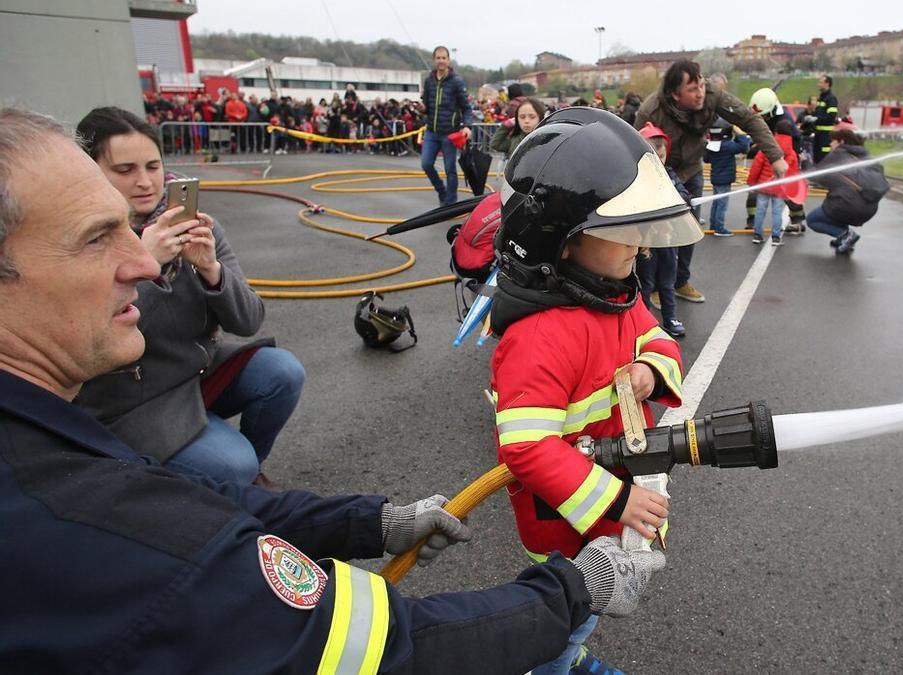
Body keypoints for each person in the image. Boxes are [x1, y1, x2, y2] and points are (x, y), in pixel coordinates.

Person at [0, 105, 666, 673]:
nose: (143, 261)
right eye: (97, 237)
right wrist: (576, 588)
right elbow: (385, 645)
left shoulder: (53, 450)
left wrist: (369, 520)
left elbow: (193, 495)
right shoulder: (94, 527)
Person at [489, 107, 698, 674]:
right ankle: (554, 667)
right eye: (621, 229)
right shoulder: (538, 337)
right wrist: (619, 503)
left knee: (588, 604)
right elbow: (527, 447)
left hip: (607, 491)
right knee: (570, 601)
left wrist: (650, 371)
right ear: (561, 240)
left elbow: (660, 341)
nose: (641, 244)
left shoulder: (614, 295)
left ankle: (567, 656)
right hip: (567, 514)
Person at [73, 106, 304, 488]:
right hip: (132, 400)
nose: (146, 182)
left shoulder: (196, 227)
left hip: (195, 372)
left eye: (153, 165)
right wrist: (148, 265)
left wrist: (213, 271)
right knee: (232, 464)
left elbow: (248, 321)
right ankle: (205, 487)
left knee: (283, 372)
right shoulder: (83, 245)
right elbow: (91, 345)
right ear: (90, 173)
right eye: (125, 170)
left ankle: (242, 479)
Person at [635, 59, 786, 304]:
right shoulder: (650, 111)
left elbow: (749, 119)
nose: (700, 93)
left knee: (690, 228)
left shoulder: (714, 96)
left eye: (702, 85)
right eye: (692, 89)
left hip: (693, 170)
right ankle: (656, 286)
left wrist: (776, 157)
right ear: (675, 94)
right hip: (661, 175)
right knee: (660, 233)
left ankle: (680, 281)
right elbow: (634, 149)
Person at [637, 122, 690, 337]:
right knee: (646, 283)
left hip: (668, 239)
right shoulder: (637, 178)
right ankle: (644, 323)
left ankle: (670, 318)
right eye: (654, 154)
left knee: (668, 282)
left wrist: (679, 199)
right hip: (646, 241)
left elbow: (685, 195)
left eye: (662, 153)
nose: (660, 158)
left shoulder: (670, 175)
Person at [807, 128, 891, 254]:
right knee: (840, 208)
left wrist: (804, 163)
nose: (830, 144)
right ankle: (844, 239)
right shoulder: (865, 155)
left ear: (841, 141)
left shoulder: (839, 154)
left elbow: (817, 175)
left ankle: (844, 234)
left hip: (846, 206)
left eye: (832, 141)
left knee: (812, 219)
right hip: (868, 209)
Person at [749, 87, 808, 235]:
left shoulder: (784, 121)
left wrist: (791, 163)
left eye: (764, 116)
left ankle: (797, 220)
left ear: (772, 111)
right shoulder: (766, 117)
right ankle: (752, 219)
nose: (763, 119)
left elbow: (794, 142)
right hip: (769, 158)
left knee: (788, 191)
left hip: (785, 162)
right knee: (756, 190)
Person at [421, 46, 474, 206]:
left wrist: (467, 126)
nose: (441, 61)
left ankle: (450, 202)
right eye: (438, 58)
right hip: (431, 131)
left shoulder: (456, 81)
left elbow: (466, 107)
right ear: (434, 59)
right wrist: (423, 109)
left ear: (448, 60)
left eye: (444, 58)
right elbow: (428, 105)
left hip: (449, 133)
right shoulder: (429, 80)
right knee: (426, 164)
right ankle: (441, 191)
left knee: (450, 169)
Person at [746, 110, 801, 246]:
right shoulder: (792, 153)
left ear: (775, 132)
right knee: (777, 213)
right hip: (780, 189)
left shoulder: (768, 148)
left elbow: (757, 166)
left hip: (764, 186)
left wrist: (752, 183)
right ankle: (776, 237)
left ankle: (758, 235)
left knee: (760, 211)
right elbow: (792, 173)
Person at [703, 118, 751, 237]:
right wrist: (739, 132)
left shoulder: (711, 146)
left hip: (715, 178)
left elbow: (706, 159)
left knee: (716, 203)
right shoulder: (728, 146)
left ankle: (713, 225)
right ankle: (719, 228)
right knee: (722, 204)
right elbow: (744, 146)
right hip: (725, 180)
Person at [813, 75, 840, 164]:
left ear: (827, 84)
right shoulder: (821, 98)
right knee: (817, 159)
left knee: (824, 159)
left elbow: (831, 117)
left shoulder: (831, 99)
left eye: (820, 82)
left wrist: (816, 119)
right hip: (818, 135)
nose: (818, 85)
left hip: (826, 136)